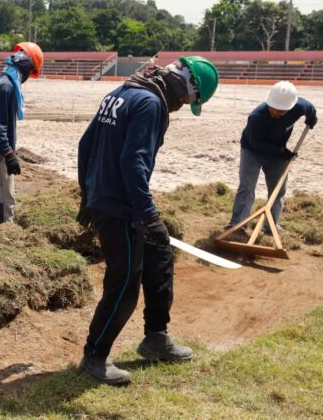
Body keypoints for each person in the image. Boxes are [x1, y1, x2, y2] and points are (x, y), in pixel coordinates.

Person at [76, 56, 219, 384]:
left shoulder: (122, 92)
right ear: (187, 89)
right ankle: (95, 355)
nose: (182, 106)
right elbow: (133, 163)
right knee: (124, 282)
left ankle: (156, 338)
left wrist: (87, 192)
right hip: (119, 206)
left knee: (160, 258)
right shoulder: (152, 104)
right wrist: (147, 215)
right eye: (187, 101)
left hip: (110, 197)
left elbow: (86, 144)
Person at [226, 81, 317, 230]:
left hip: (277, 151)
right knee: (247, 187)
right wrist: (281, 152)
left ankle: (271, 226)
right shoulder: (257, 116)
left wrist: (312, 118)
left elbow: (310, 108)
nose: (275, 112)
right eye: (273, 108)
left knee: (278, 190)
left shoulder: (299, 106)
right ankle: (237, 224)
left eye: (280, 111)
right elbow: (256, 144)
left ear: (290, 107)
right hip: (252, 150)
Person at [0, 42, 43, 224]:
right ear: (26, 67)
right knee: (5, 201)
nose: (29, 77)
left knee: (3, 196)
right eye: (31, 72)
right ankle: (1, 238)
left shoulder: (6, 82)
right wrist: (8, 153)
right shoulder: (5, 86)